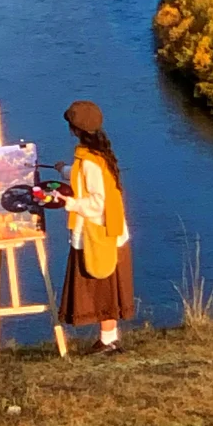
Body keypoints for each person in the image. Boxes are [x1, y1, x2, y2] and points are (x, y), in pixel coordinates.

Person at [56, 100, 133, 354]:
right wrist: (64, 171)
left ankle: (108, 341)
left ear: (74, 129)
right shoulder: (97, 156)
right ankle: (108, 338)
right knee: (106, 287)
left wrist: (71, 203)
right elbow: (84, 177)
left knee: (101, 287)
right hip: (110, 231)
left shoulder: (90, 161)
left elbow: (97, 202)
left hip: (98, 234)